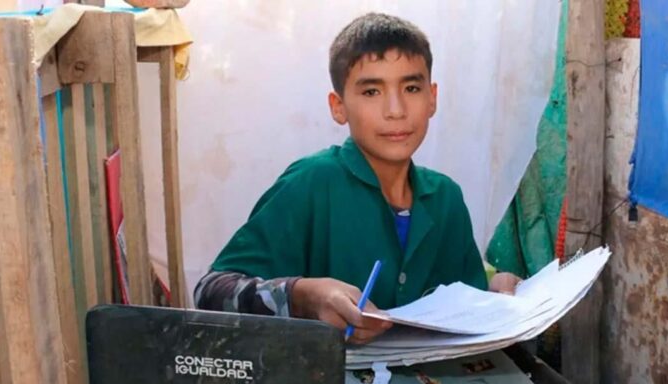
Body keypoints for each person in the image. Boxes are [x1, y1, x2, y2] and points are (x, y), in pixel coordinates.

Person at [194, 12, 522, 344]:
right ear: (338, 107)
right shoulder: (311, 183)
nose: (395, 110)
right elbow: (210, 291)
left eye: (411, 87)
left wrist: (492, 293)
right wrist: (302, 295)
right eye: (371, 92)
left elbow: (463, 299)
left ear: (432, 98)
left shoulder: (445, 198)